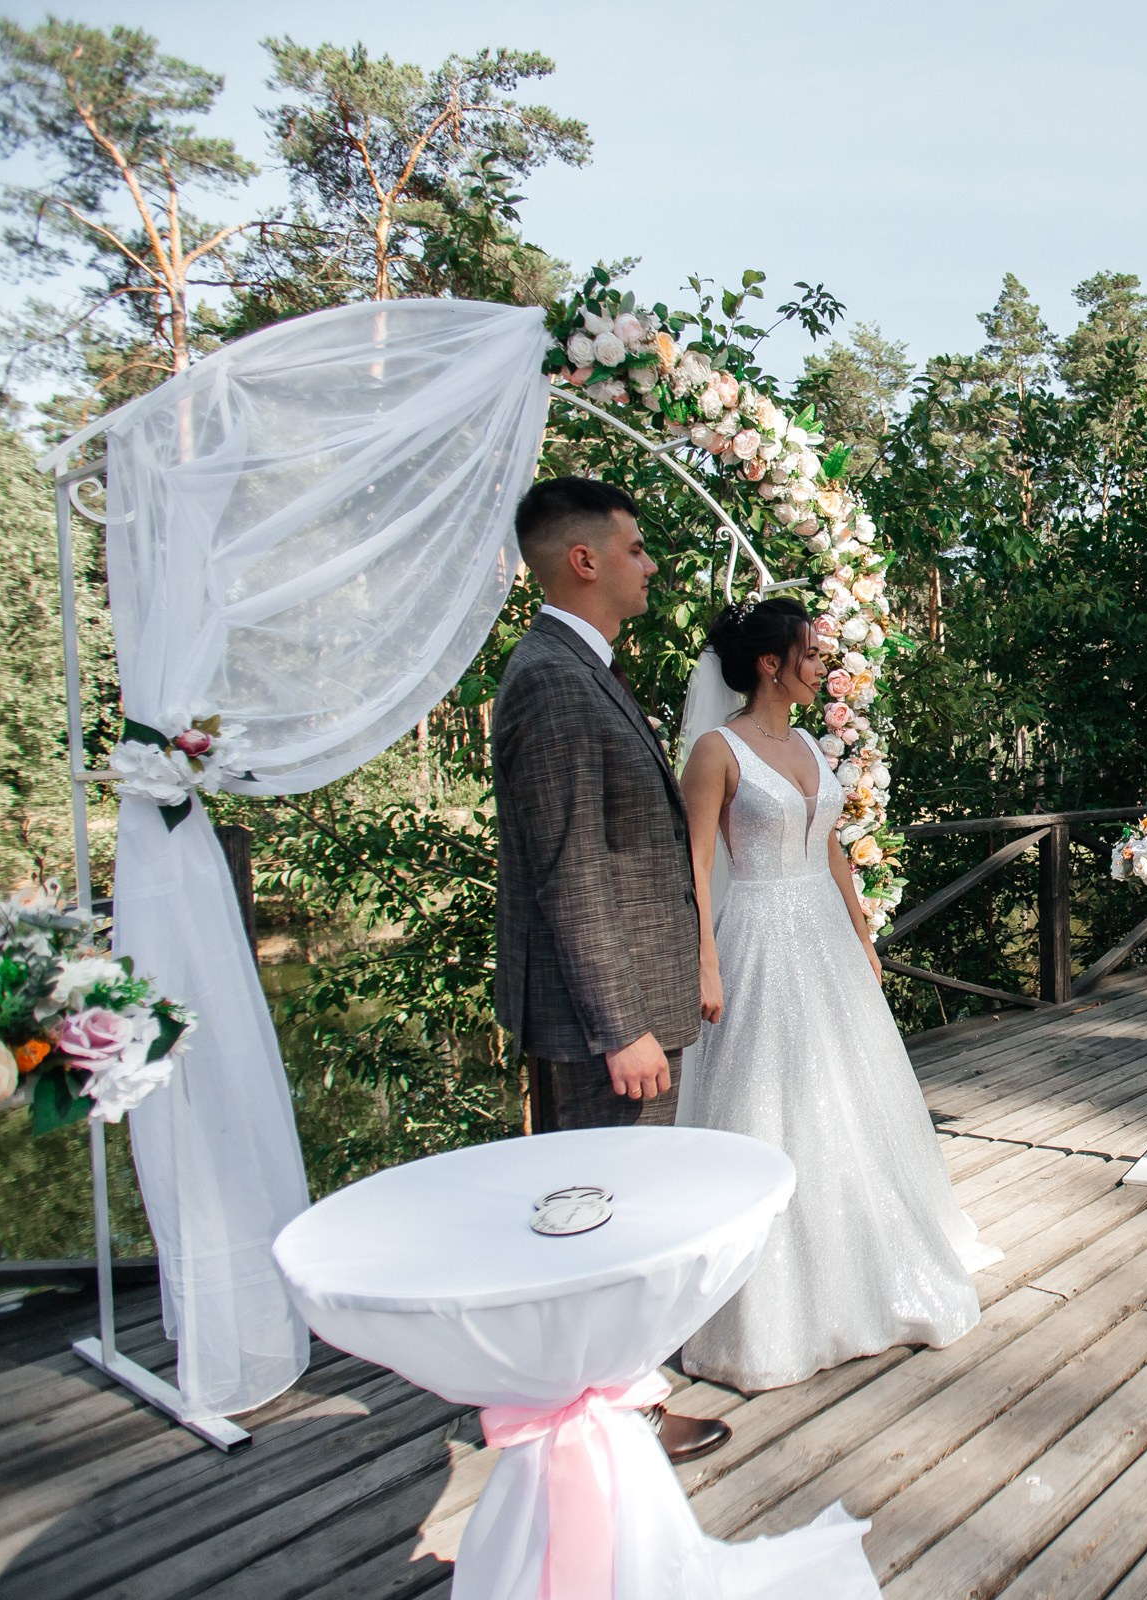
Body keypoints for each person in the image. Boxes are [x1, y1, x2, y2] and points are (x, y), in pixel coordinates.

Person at [672, 596, 999, 1392]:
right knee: (765, 1100)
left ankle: (868, 1262)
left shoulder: (814, 743)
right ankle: (771, 1308)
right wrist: (705, 962)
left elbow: (834, 847)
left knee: (851, 1096)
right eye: (811, 655)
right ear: (768, 664)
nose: (823, 667)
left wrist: (860, 932)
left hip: (823, 934)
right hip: (755, 932)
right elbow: (695, 869)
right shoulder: (716, 752)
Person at [490, 476, 728, 1463]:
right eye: (635, 547)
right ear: (583, 559)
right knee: (598, 1217)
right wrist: (619, 1023)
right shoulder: (549, 677)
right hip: (602, 1020)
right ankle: (603, 1417)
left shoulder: (583, 667)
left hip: (623, 1001)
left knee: (615, 1208)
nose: (650, 563)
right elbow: (568, 869)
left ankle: (617, 1395)